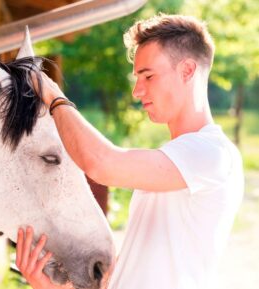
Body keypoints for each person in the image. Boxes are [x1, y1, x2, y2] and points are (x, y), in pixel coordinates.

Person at [15, 14, 244, 289]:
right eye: (137, 77)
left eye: (148, 76)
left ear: (187, 71)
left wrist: (53, 96)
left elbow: (101, 163)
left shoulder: (211, 154)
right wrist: (48, 286)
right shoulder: (172, 166)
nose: (137, 90)